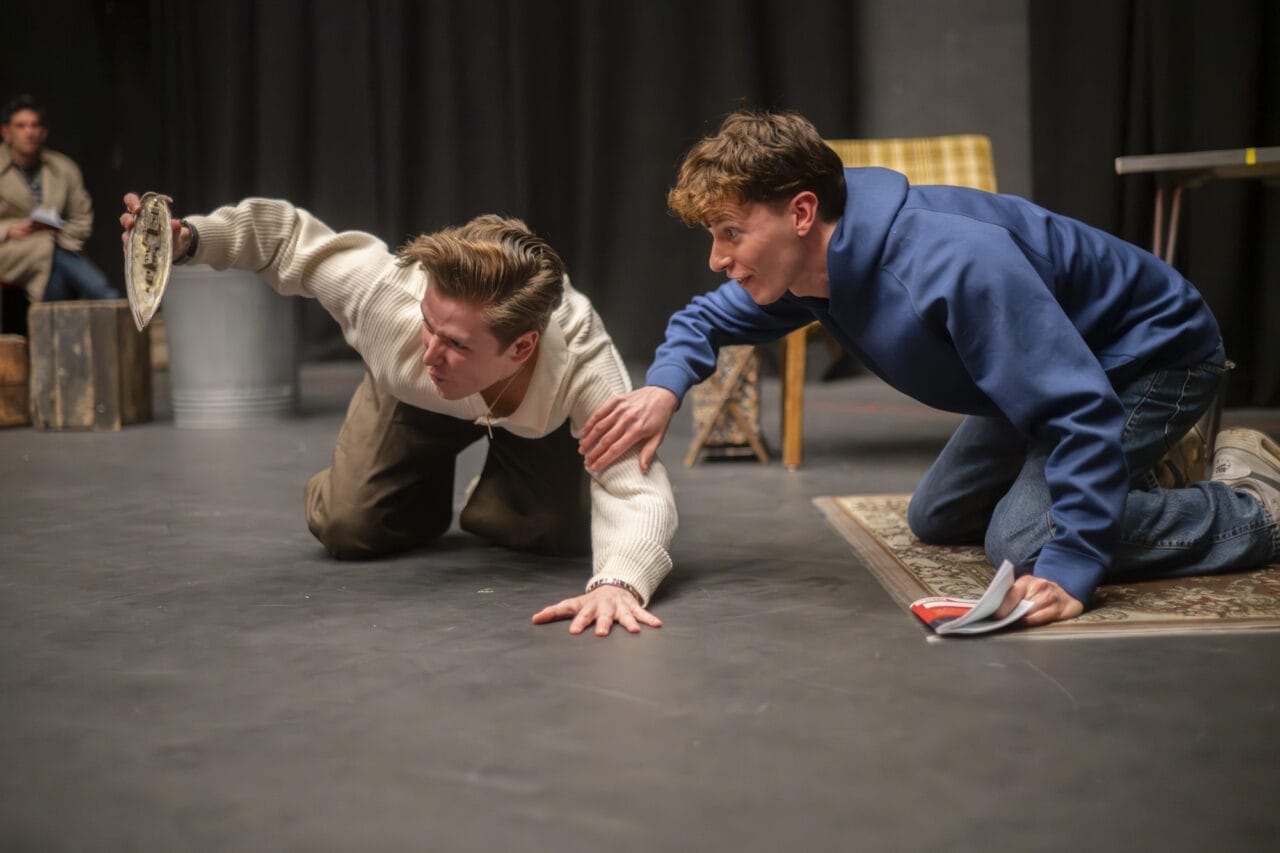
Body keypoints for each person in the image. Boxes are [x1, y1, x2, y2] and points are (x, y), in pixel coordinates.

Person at [580, 108, 1280, 627]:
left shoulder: (950, 265)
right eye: (714, 237)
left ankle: (1254, 504)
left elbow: (1078, 409)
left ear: (800, 212)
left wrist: (1072, 568)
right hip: (1052, 370)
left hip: (1150, 355)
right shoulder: (816, 271)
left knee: (1031, 541)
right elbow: (704, 319)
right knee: (937, 515)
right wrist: (663, 388)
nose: (718, 259)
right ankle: (1142, 468)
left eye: (731, 234)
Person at [120, 193, 677, 636]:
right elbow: (285, 238)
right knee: (347, 526)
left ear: (522, 348)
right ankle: (408, 487)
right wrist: (192, 238)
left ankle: (500, 492)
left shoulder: (583, 363)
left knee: (549, 534)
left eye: (455, 343)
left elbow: (634, 488)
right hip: (412, 403)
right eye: (428, 326)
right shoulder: (388, 297)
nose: (431, 352)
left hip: (535, 423)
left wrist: (619, 584)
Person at [0, 95, 116, 305]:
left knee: (53, 258)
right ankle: (106, 296)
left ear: (44, 132)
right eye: (21, 126)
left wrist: (59, 232)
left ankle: (48, 317)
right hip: (9, 251)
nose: (29, 132)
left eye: (35, 126)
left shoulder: (63, 168)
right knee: (51, 250)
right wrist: (10, 229)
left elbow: (82, 218)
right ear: (6, 132)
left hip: (57, 246)